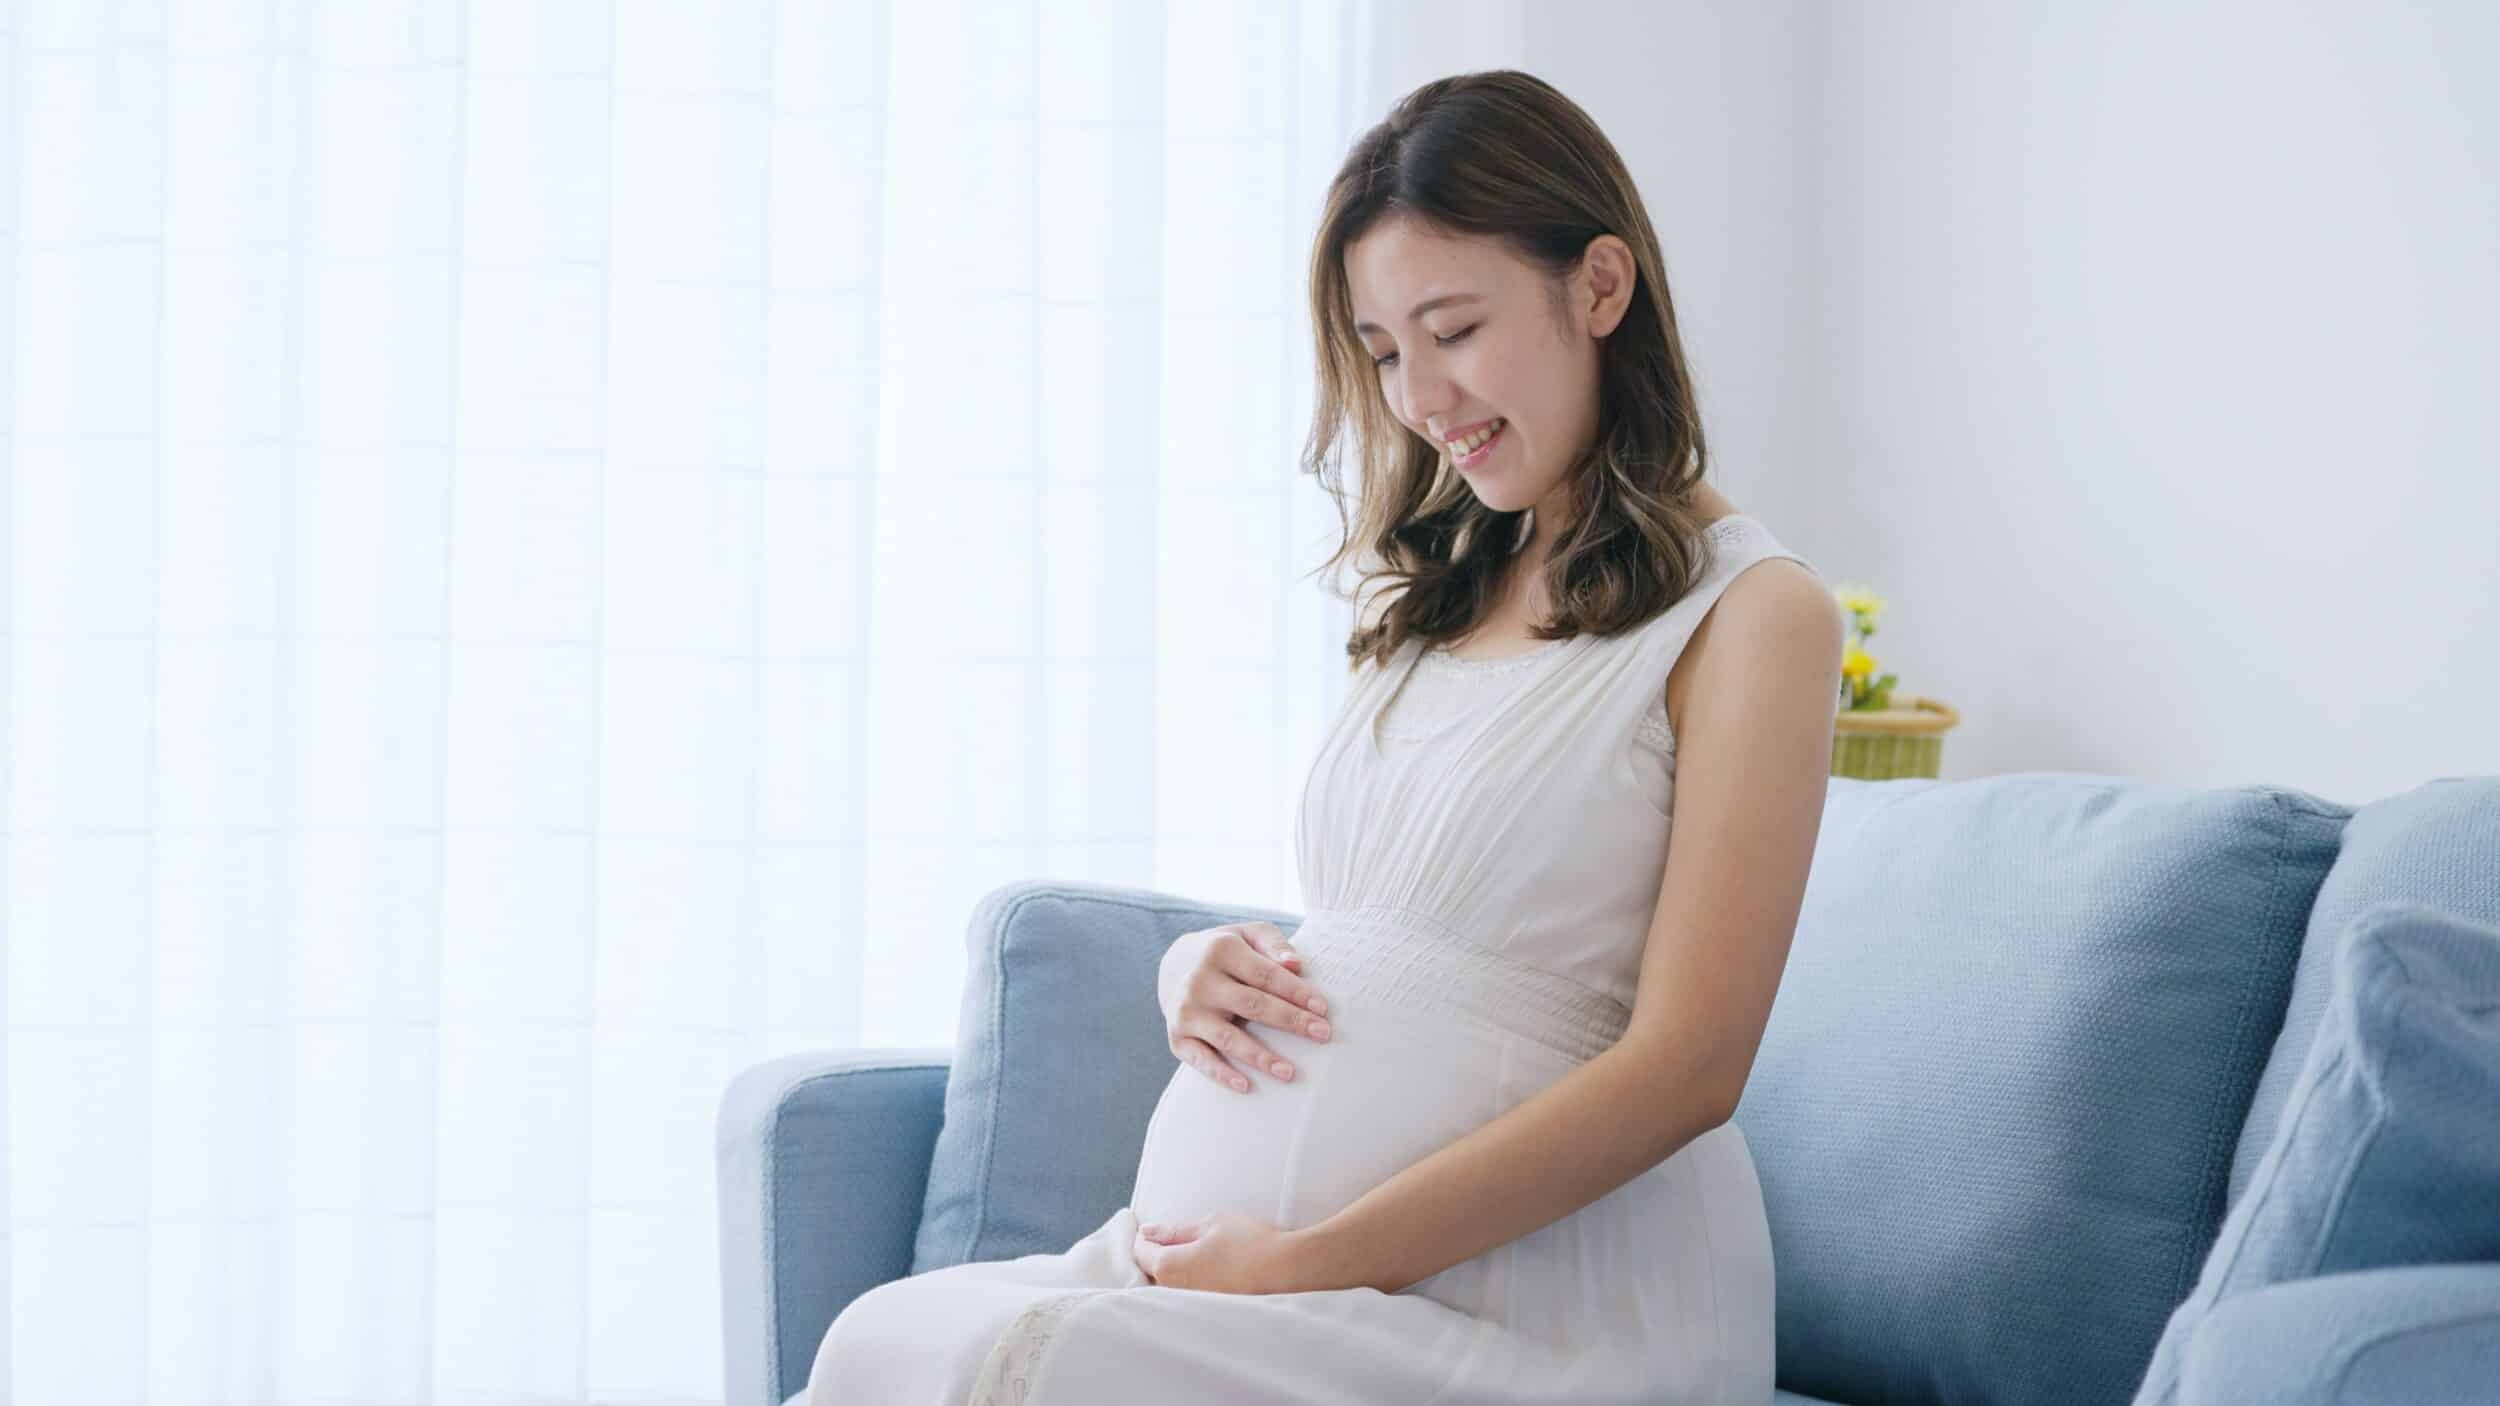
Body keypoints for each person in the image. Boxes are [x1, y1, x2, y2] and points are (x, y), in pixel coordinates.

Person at [806, 68, 1843, 1406]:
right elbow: (1399, 933)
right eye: (1381, 350)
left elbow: (1690, 1065)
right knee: (881, 1340)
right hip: (1299, 1270)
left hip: (1552, 1300)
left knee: (1065, 1369)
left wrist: (1312, 1258)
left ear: (1600, 287)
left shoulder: (1757, 616)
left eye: (1453, 328)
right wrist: (1199, 966)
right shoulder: (1442, 600)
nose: (1419, 396)